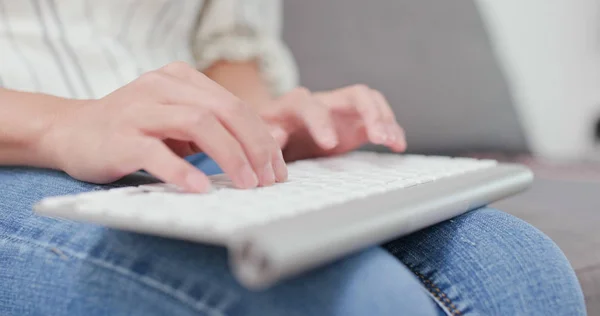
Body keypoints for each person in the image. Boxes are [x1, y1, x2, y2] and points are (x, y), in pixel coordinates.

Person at [0, 1, 586, 315]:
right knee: (356, 303)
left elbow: (229, 56)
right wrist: (63, 123)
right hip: (19, 154)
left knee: (522, 268)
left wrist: (262, 124)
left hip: (177, 153)